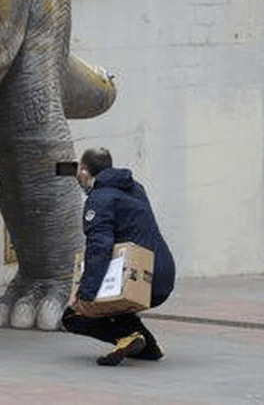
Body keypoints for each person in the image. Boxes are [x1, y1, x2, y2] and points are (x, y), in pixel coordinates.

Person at [62, 147, 176, 366]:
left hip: (137, 281)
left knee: (72, 317)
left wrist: (84, 294)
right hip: (161, 274)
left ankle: (127, 337)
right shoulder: (135, 187)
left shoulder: (99, 199)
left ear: (84, 172)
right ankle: (147, 348)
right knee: (117, 305)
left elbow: (100, 248)